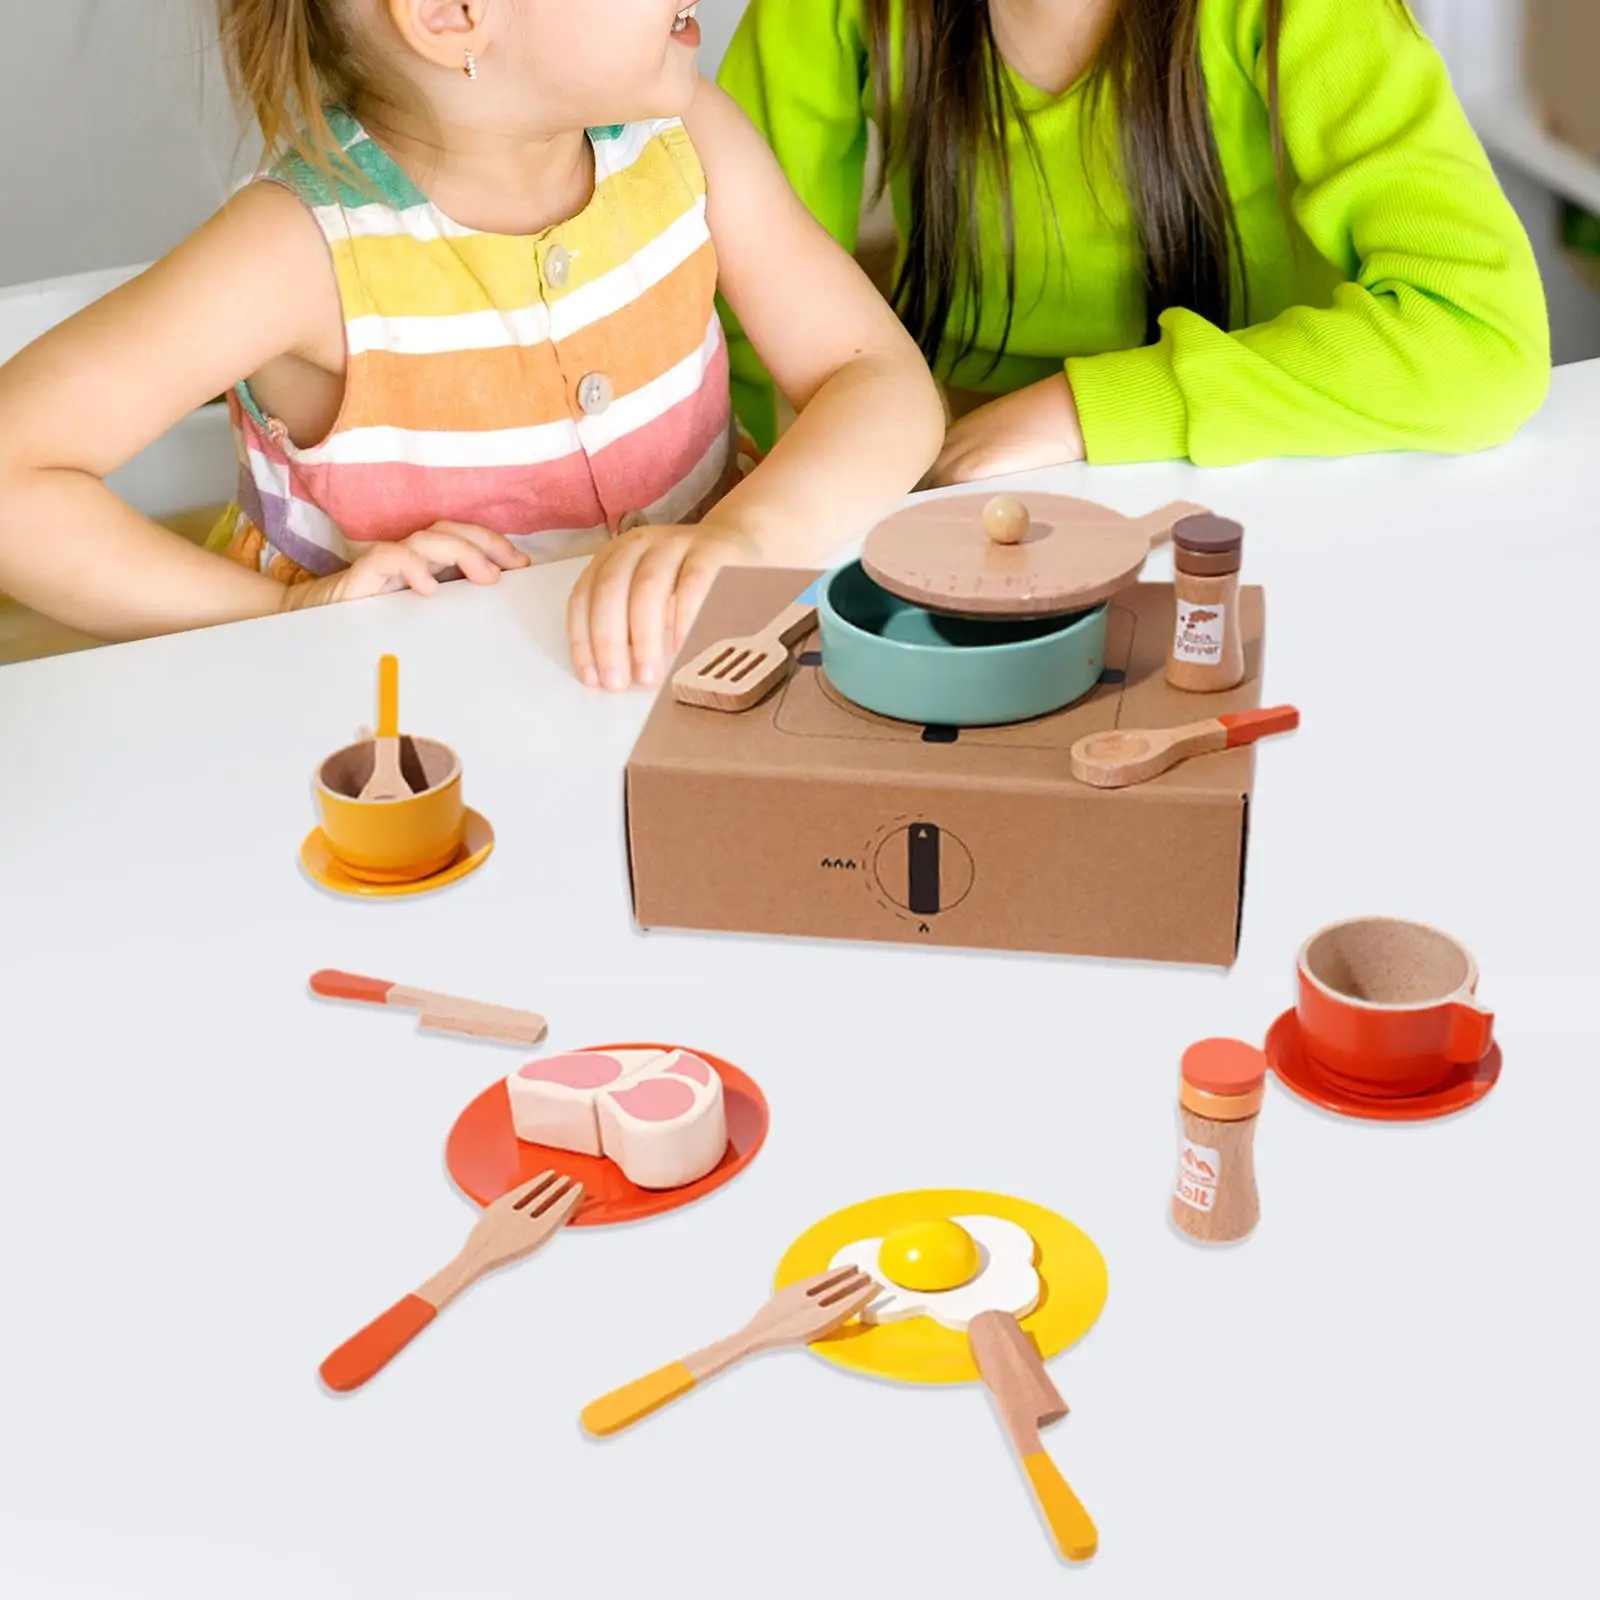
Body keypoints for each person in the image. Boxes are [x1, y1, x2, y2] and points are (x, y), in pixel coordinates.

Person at [0, 1, 943, 690]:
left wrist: (744, 536)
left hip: (683, 688)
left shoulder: (685, 139)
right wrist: (281, 616)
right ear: (452, 16)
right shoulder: (297, 251)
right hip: (393, 740)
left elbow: (880, 381)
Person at [716, 0, 1552, 485]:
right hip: (941, 487)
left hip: (1246, 471)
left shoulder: (1313, 15)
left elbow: (1482, 341)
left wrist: (1081, 409)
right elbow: (737, 327)